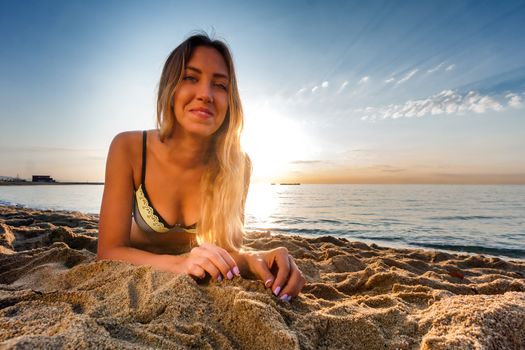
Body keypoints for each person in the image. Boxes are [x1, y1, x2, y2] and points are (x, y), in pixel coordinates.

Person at [96, 33, 305, 302]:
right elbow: (109, 251)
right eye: (191, 78)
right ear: (170, 88)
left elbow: (227, 251)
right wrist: (180, 264)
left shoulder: (237, 165)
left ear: (230, 101)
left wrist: (257, 259)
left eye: (220, 85)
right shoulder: (130, 148)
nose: (205, 95)